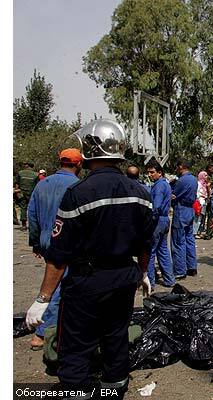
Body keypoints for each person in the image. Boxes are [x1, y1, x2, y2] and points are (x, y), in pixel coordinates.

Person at [24, 119, 154, 398]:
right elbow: (146, 242)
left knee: (76, 344)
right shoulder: (141, 193)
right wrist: (143, 273)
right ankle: (114, 390)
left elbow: (59, 256)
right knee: (116, 338)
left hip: (87, 282)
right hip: (123, 279)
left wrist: (43, 299)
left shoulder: (78, 193)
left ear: (89, 150)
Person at [27, 148, 83, 350]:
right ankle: (43, 333)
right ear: (79, 165)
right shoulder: (77, 186)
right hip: (68, 245)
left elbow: (32, 215)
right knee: (59, 287)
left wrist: (35, 242)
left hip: (46, 243)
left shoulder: (42, 185)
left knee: (56, 284)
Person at [146, 161, 175, 289]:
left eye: (152, 172)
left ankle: (150, 282)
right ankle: (169, 279)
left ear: (159, 172)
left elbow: (155, 206)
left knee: (150, 252)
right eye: (148, 172)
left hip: (157, 220)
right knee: (163, 250)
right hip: (164, 220)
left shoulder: (158, 186)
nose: (149, 175)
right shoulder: (165, 185)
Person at [171, 159, 198, 279]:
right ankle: (192, 267)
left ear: (181, 167)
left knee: (178, 242)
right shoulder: (193, 179)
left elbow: (174, 195)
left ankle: (180, 270)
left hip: (181, 210)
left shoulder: (182, 180)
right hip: (190, 210)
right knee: (189, 239)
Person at [16, 161, 39, 230]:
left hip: (21, 193)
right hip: (32, 194)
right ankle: (33, 225)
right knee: (33, 209)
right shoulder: (36, 174)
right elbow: (37, 186)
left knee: (23, 208)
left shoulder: (20, 173)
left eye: (25, 164)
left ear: (27, 165)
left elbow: (17, 184)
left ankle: (23, 225)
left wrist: (17, 193)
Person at [193, 170, 209, 239]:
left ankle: (198, 231)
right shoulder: (198, 184)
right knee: (197, 218)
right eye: (205, 175)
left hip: (203, 203)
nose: (206, 177)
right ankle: (194, 233)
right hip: (199, 203)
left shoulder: (205, 184)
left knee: (201, 218)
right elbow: (197, 194)